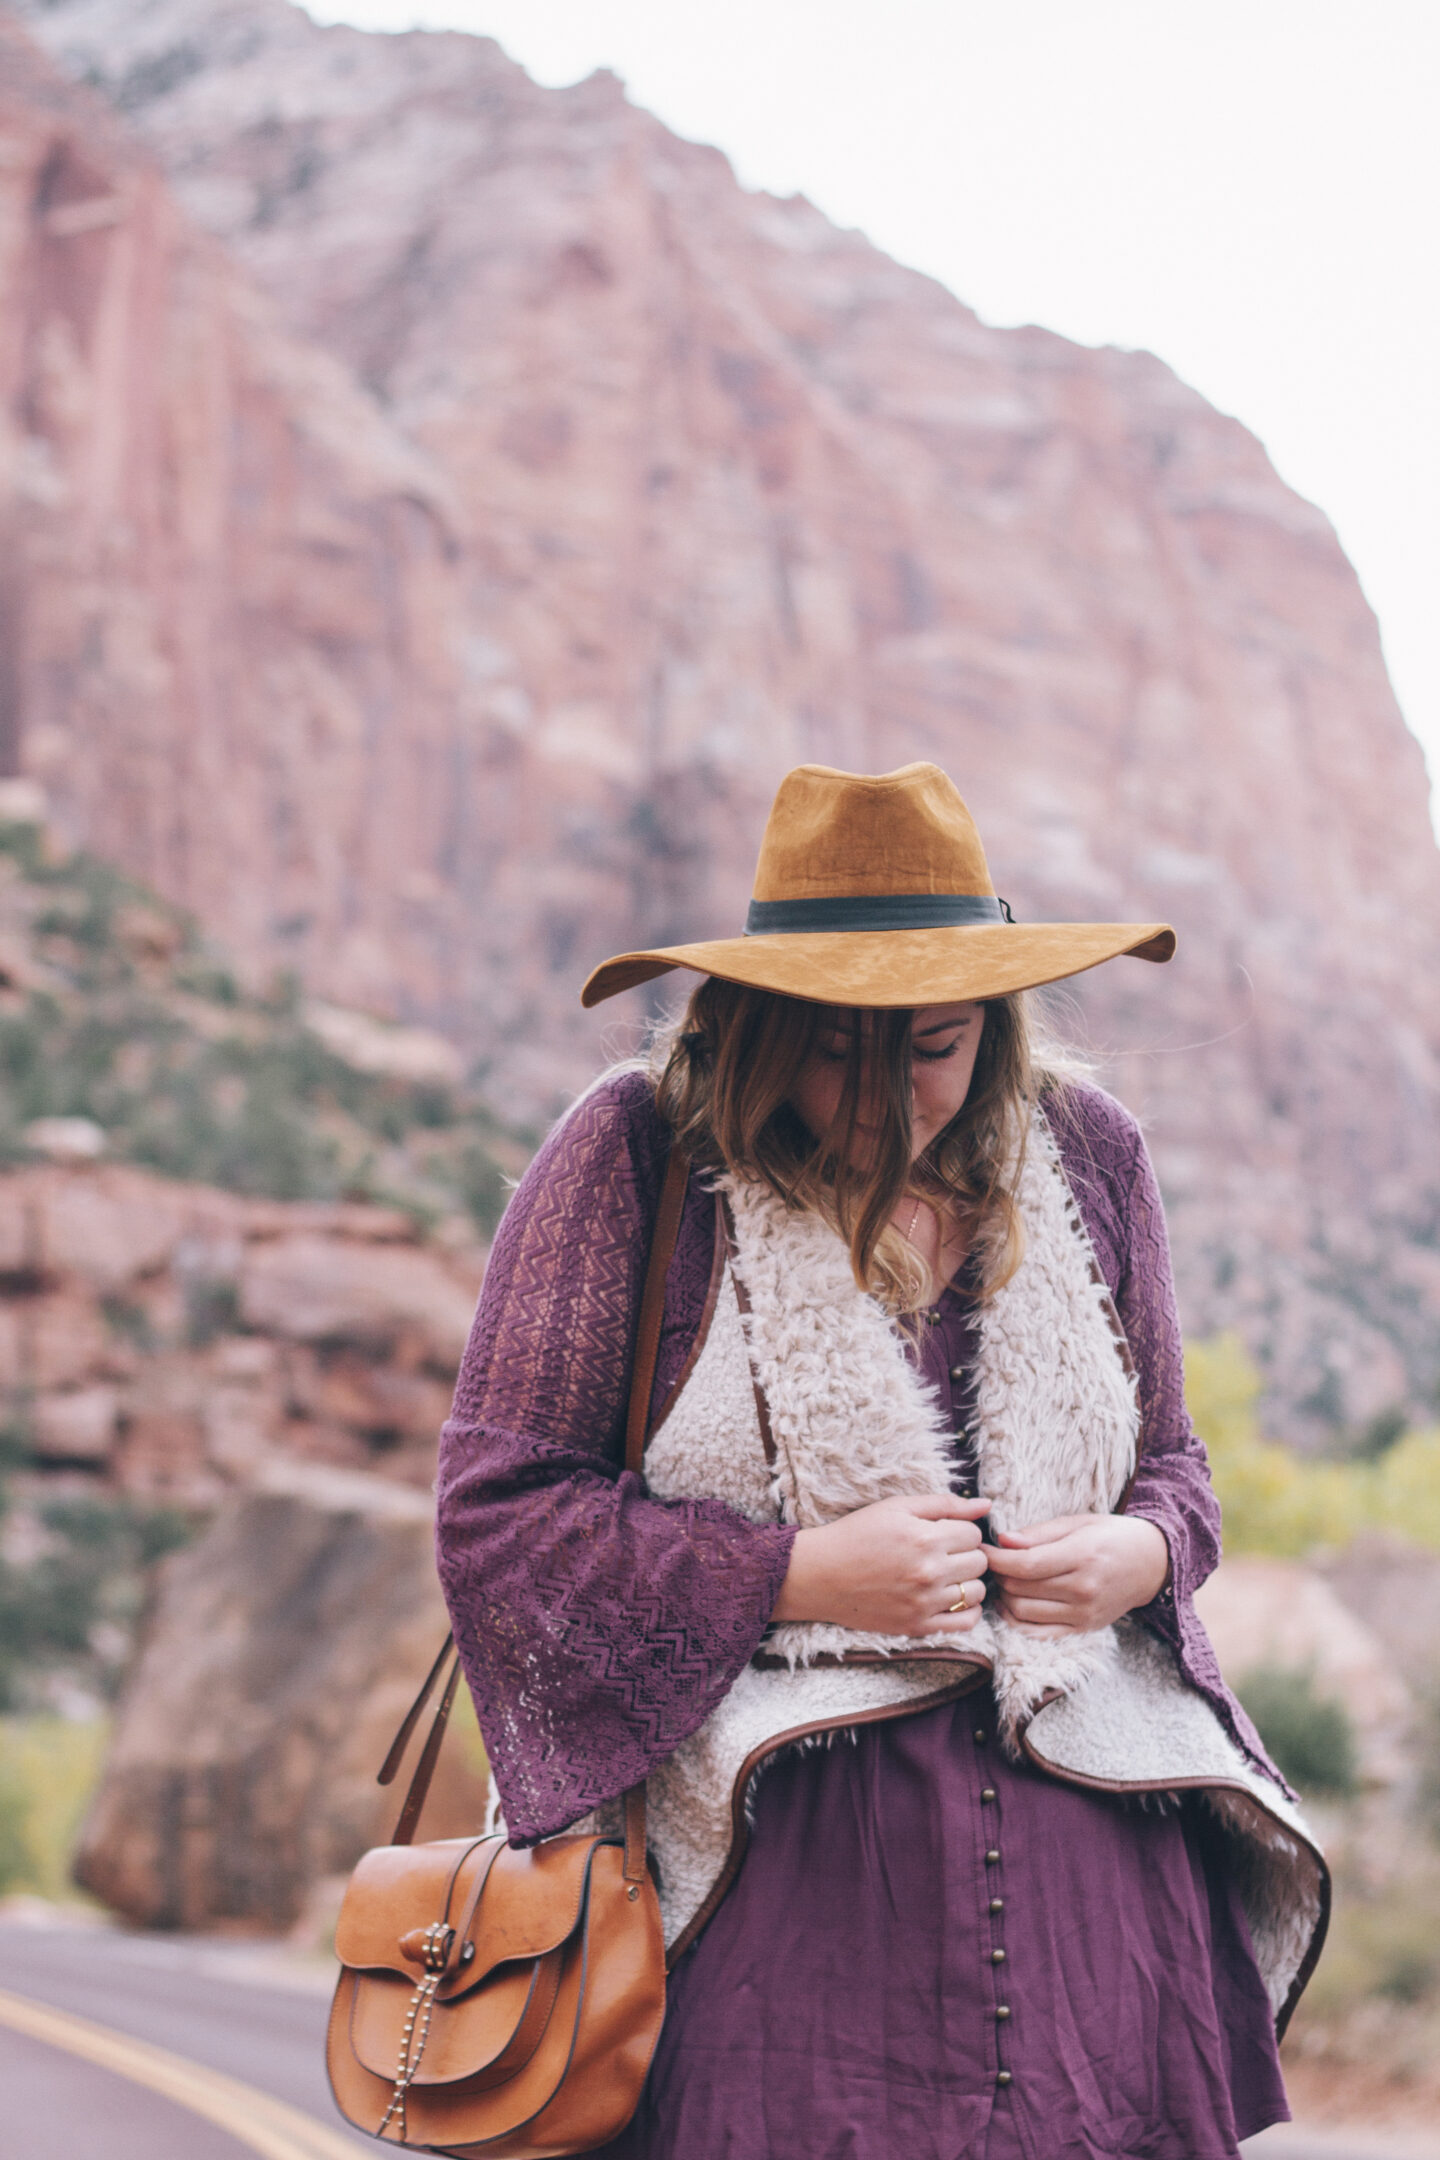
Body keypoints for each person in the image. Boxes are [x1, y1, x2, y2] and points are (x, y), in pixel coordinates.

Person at [436, 763, 1325, 2160]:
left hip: (1102, 1900)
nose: (880, 1094)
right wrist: (795, 1575)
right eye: (832, 1043)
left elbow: (1176, 1470)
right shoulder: (635, 1155)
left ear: (995, 1025)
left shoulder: (1091, 1158)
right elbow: (498, 1519)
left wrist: (1133, 1555)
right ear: (745, 1019)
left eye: (933, 1044)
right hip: (782, 1902)